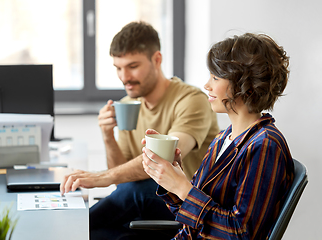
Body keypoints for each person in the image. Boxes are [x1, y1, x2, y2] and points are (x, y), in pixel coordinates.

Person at [60, 21, 219, 239]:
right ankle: (70, 230)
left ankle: (65, 230)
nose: (124, 77)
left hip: (187, 208)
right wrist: (108, 136)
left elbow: (164, 156)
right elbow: (121, 180)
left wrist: (101, 177)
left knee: (139, 190)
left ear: (157, 59)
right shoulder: (128, 105)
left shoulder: (191, 100)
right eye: (118, 68)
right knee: (104, 235)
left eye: (132, 66)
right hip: (147, 211)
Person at [142, 32, 295, 239]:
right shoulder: (222, 139)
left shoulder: (265, 146)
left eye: (215, 77)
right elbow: (189, 215)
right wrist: (170, 176)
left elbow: (242, 233)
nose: (207, 85)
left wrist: (184, 189)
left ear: (246, 86)